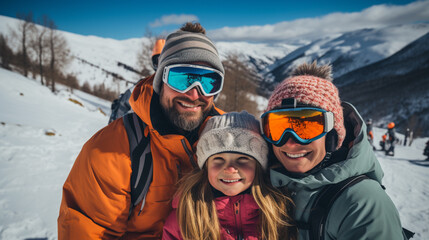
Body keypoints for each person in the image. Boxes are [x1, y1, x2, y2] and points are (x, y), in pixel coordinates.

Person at [58, 22, 226, 239]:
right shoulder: (109, 152)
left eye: (208, 82)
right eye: (181, 78)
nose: (194, 94)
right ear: (160, 81)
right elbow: (89, 230)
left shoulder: (229, 139)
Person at [261, 61, 407, 239]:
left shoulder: (361, 202)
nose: (290, 142)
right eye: (278, 128)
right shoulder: (261, 185)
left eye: (306, 127)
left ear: (332, 136)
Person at [162, 111, 297, 240]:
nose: (231, 169)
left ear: (258, 166)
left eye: (243, 159)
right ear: (206, 166)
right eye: (219, 159)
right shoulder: (187, 216)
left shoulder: (278, 211)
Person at [108, 38, 166, 124]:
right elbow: (123, 104)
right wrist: (115, 126)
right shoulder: (143, 86)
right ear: (154, 63)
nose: (160, 65)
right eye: (157, 61)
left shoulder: (179, 85)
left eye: (164, 60)